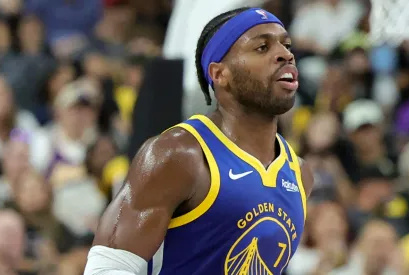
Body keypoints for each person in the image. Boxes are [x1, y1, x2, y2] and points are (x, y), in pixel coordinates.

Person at [84, 7, 314, 275]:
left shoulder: (299, 174)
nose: (285, 55)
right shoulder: (177, 154)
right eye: (262, 47)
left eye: (287, 46)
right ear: (219, 74)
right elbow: (107, 268)